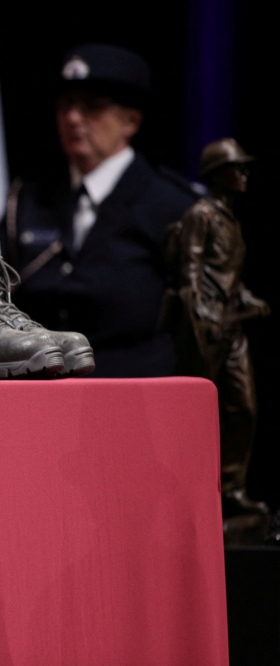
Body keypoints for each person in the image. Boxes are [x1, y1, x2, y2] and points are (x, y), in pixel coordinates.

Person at [0, 44, 197, 377]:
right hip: (40, 392)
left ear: (130, 120)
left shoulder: (173, 206)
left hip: (136, 393)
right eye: (65, 105)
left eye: (92, 107)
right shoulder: (29, 198)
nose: (73, 118)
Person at [164, 138, 271, 542]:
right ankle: (193, 492)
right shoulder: (201, 215)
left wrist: (247, 300)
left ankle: (232, 489)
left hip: (232, 327)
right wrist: (200, 311)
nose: (243, 174)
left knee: (243, 405)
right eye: (237, 168)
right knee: (197, 413)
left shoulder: (232, 220)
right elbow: (190, 269)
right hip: (204, 329)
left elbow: (229, 275)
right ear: (217, 175)